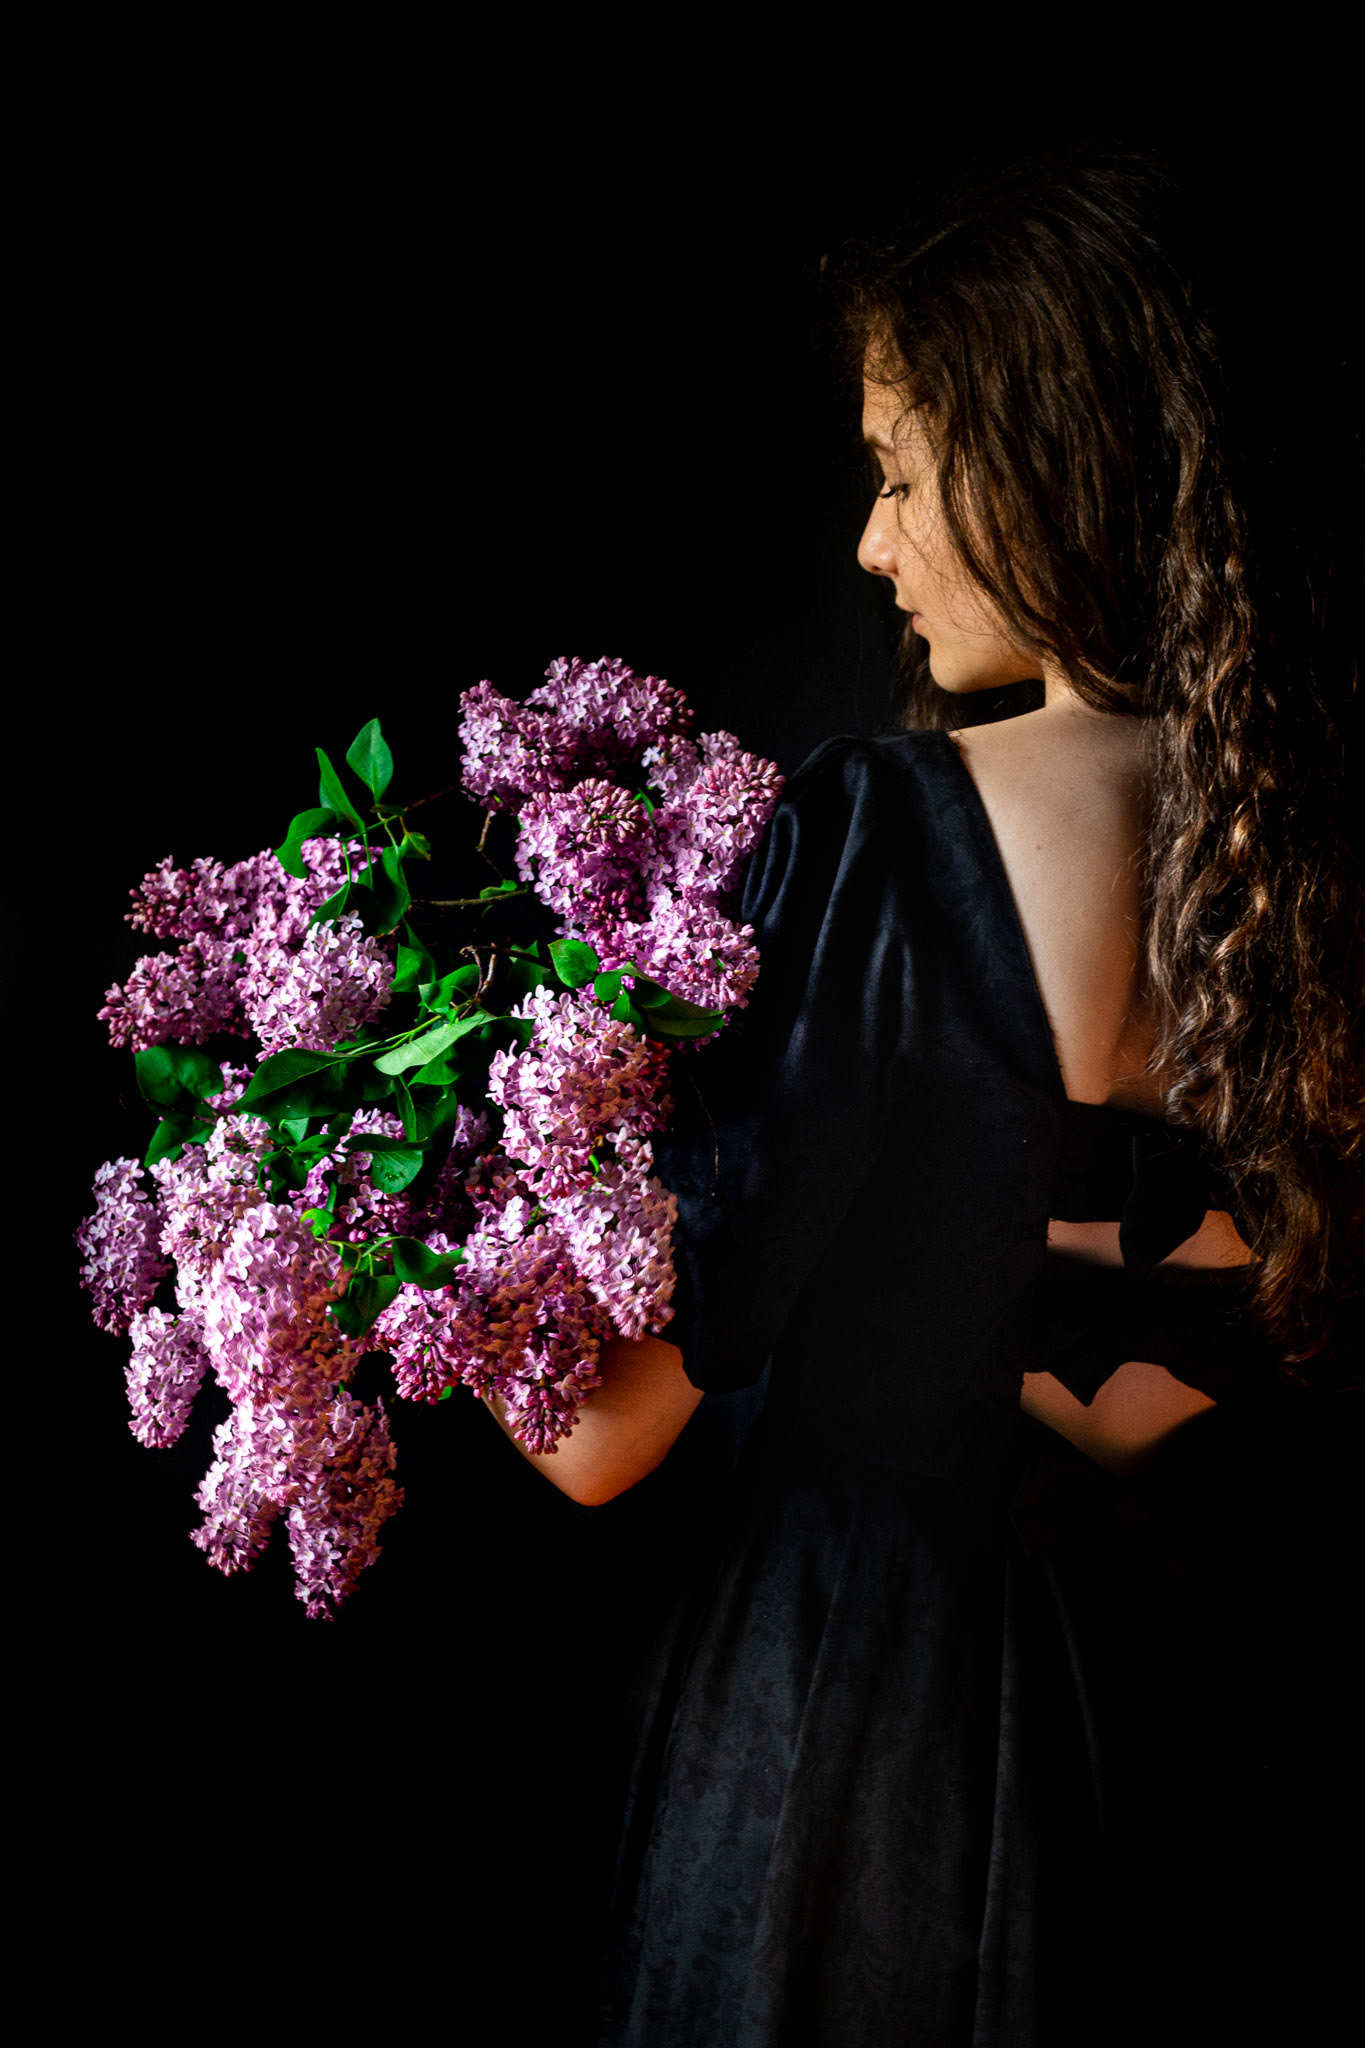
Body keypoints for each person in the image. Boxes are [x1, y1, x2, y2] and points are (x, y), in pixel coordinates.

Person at [486, 141, 1363, 2045]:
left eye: (897, 474)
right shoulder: (1303, 874)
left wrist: (386, 1196)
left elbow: (599, 1442)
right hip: (1196, 1791)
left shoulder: (890, 829)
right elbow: (1164, 1423)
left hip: (848, 1754)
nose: (873, 545)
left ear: (1042, 455)